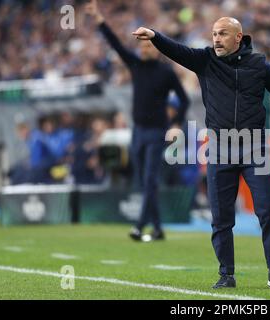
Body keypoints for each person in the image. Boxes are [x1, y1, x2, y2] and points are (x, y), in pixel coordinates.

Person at [132, 17, 270, 289]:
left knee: (268, 210)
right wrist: (155, 35)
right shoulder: (205, 60)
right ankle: (226, 274)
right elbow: (176, 50)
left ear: (238, 37)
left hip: (253, 147)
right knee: (221, 217)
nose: (216, 39)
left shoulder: (259, 65)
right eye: (213, 34)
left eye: (222, 34)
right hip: (219, 149)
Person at [85, 0, 190, 242]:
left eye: (148, 46)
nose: (143, 50)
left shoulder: (166, 72)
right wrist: (99, 19)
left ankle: (140, 225)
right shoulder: (136, 65)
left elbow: (184, 100)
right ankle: (158, 228)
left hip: (156, 132)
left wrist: (176, 124)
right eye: (141, 46)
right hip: (138, 131)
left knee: (150, 179)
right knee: (145, 181)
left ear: (156, 47)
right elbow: (116, 44)